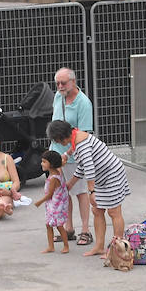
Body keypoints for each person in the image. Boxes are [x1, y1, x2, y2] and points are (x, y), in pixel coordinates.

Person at [47, 119, 130, 258]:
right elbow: (83, 165)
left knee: (114, 211)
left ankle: (118, 250)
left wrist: (92, 192)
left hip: (112, 174)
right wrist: (70, 183)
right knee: (97, 211)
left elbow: (89, 169)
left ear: (62, 137)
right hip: (102, 176)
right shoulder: (75, 137)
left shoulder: (82, 143)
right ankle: (99, 247)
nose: (59, 143)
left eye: (57, 140)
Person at [51, 68, 95, 244]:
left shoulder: (83, 103)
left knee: (80, 192)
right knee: (62, 192)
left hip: (74, 156)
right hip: (57, 153)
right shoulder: (58, 96)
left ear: (73, 82)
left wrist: (68, 153)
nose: (60, 86)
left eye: (63, 83)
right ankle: (68, 229)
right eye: (57, 83)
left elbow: (83, 135)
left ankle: (86, 230)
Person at [39, 150, 70, 253]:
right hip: (52, 204)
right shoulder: (55, 172)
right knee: (48, 224)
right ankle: (50, 246)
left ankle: (66, 246)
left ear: (51, 164)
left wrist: (39, 202)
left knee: (59, 225)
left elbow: (49, 194)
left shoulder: (53, 178)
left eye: (44, 161)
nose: (41, 163)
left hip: (56, 205)